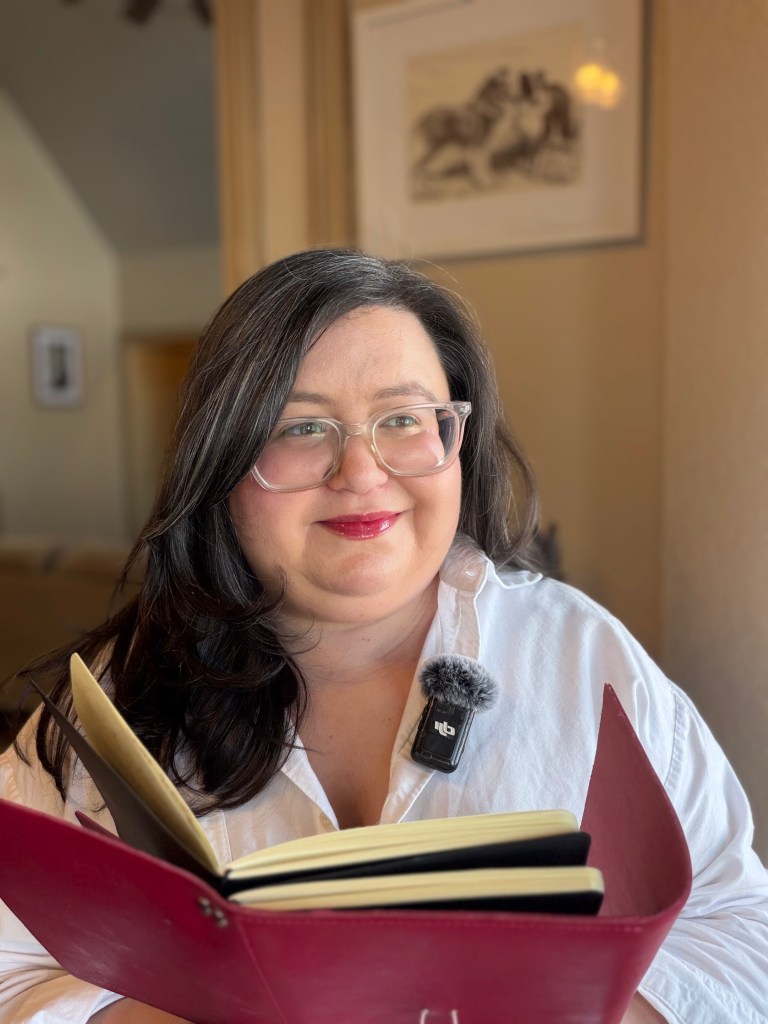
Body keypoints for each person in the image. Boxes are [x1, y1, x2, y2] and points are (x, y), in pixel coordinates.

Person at [0, 248, 766, 1024]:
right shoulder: (117, 695)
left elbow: (742, 933)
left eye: (402, 419)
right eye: (302, 426)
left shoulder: (585, 658)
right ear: (222, 460)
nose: (361, 472)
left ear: (454, 436)